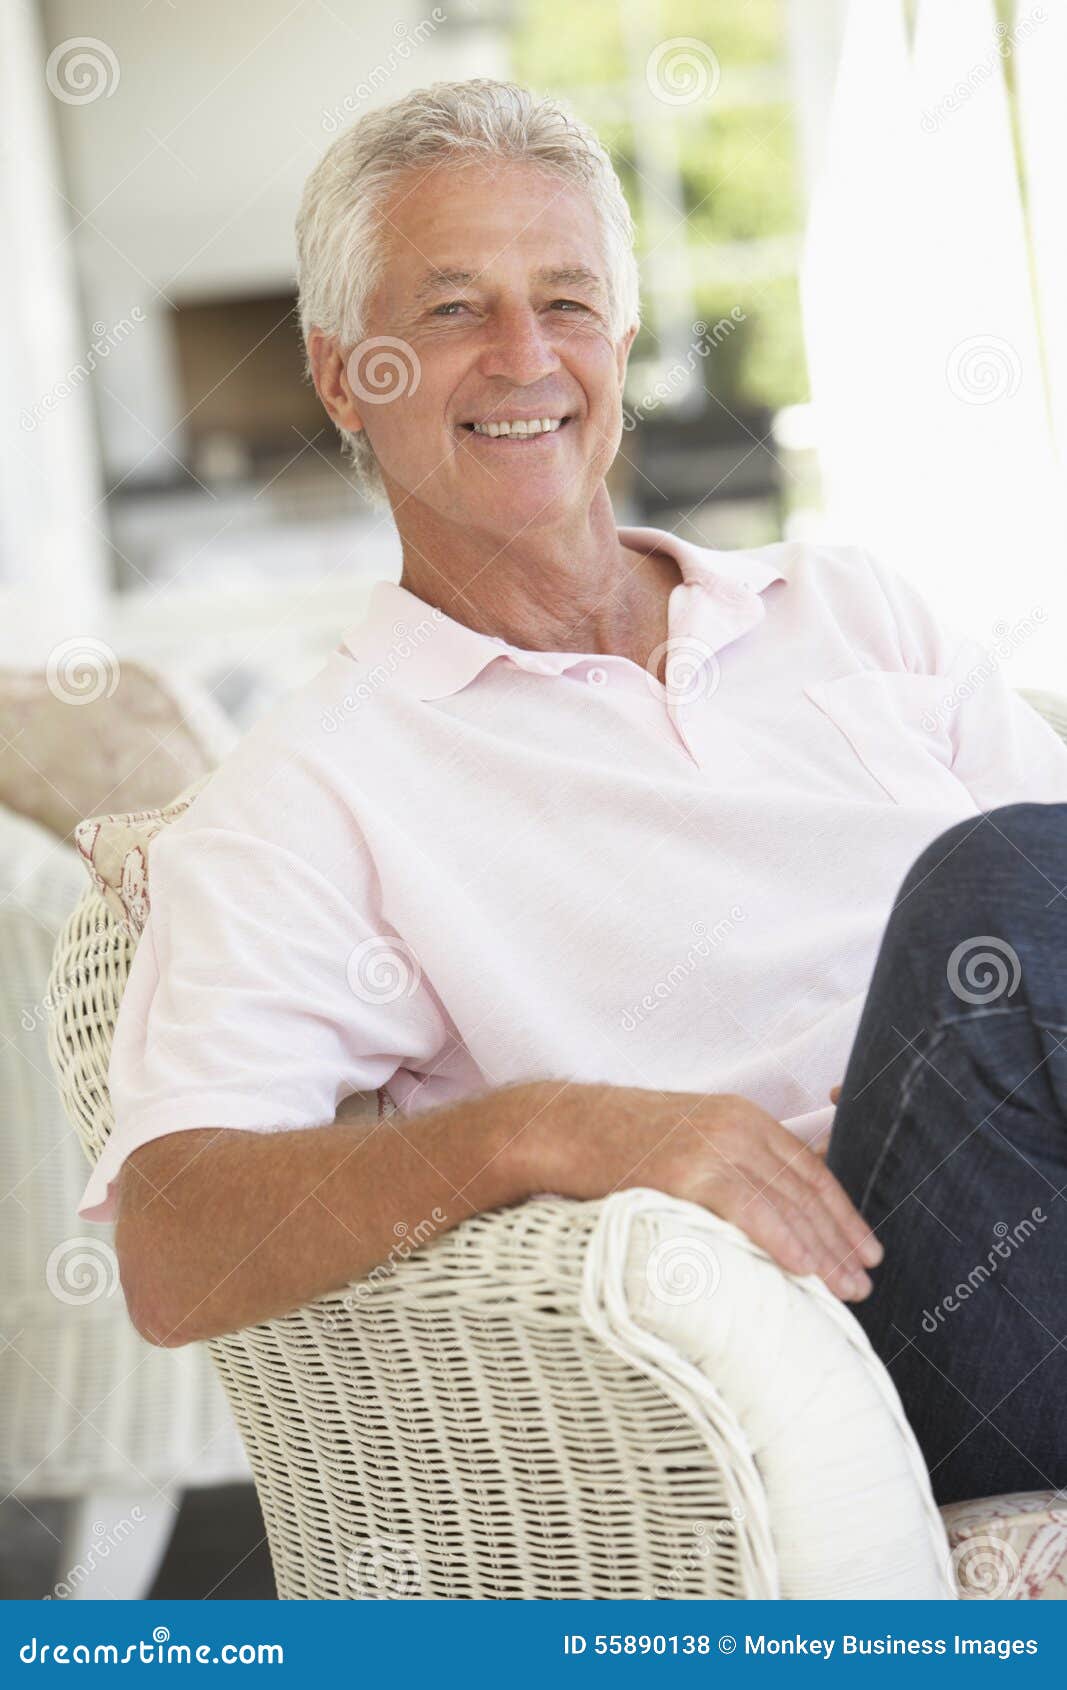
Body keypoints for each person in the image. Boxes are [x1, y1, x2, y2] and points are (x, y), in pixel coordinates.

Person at [82, 79, 1067, 1507]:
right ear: (343, 376)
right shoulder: (310, 793)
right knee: (989, 901)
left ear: (619, 339)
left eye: (567, 301)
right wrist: (546, 1125)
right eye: (452, 310)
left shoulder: (848, 605)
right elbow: (176, 1249)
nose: (524, 357)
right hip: (882, 1335)